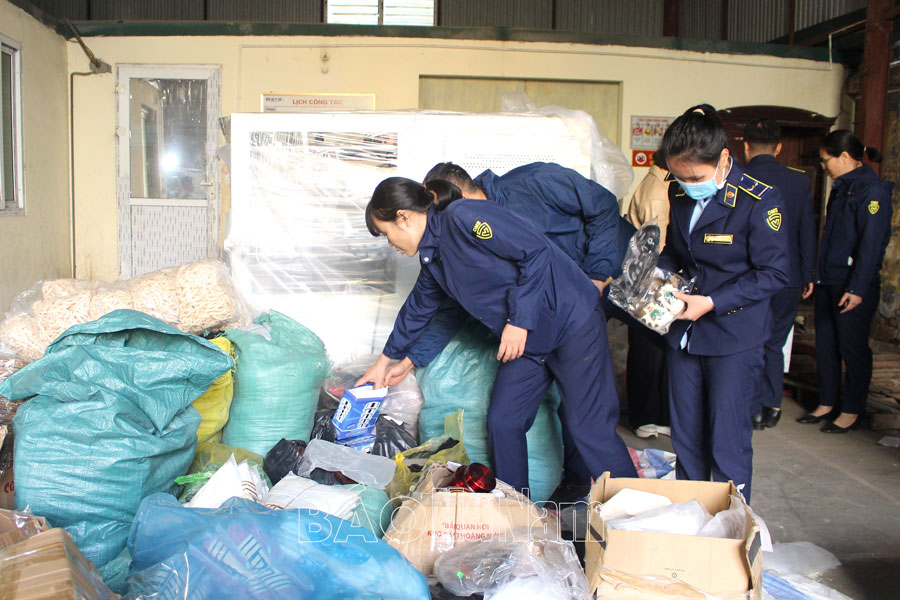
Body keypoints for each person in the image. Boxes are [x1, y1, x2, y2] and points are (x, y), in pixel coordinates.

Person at [356, 177, 638, 495]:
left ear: (403, 217)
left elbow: (536, 253)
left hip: (569, 321)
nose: (389, 242)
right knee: (505, 421)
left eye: (386, 233)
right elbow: (421, 312)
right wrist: (394, 361)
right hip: (530, 341)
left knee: (589, 427)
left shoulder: (463, 218)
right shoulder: (433, 260)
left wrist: (518, 321)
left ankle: (639, 515)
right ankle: (517, 510)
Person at [656, 105, 790, 502]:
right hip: (684, 334)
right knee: (687, 436)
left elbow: (775, 273)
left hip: (734, 335)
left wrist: (712, 302)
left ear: (724, 159)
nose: (686, 184)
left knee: (726, 440)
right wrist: (658, 275)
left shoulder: (759, 201)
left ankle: (731, 526)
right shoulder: (678, 191)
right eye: (679, 176)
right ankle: (694, 516)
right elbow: (676, 251)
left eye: (695, 176)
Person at [796, 130, 893, 433]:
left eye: (826, 160)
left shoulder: (872, 191)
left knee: (853, 349)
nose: (823, 166)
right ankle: (826, 402)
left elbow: (871, 245)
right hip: (829, 280)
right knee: (826, 345)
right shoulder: (842, 187)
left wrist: (857, 288)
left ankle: (851, 409)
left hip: (852, 286)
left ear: (846, 157)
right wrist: (815, 274)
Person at [742, 119, 816, 430]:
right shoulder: (798, 182)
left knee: (747, 341)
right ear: (779, 147)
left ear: (745, 147)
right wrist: (808, 273)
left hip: (748, 277)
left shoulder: (739, 180)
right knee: (774, 341)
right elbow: (806, 230)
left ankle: (749, 406)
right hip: (788, 276)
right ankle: (771, 405)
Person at [624, 150, 673, 439]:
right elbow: (658, 243)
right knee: (648, 351)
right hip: (650, 279)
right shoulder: (659, 190)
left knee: (647, 349)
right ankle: (644, 417)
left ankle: (647, 414)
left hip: (641, 276)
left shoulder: (652, 181)